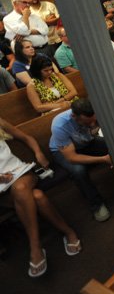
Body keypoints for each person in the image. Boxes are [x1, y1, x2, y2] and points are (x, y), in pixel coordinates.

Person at [0, 117, 81, 278]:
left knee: (21, 188)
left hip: (19, 173)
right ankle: (67, 231)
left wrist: (38, 153)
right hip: (1, 188)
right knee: (37, 196)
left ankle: (35, 247)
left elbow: (26, 138)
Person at [49, 98, 112, 221]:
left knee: (113, 145)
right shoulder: (59, 124)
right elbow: (72, 157)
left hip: (85, 142)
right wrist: (104, 159)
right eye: (88, 123)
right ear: (74, 116)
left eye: (93, 121)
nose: (92, 125)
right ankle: (97, 205)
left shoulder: (94, 112)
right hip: (63, 152)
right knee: (78, 171)